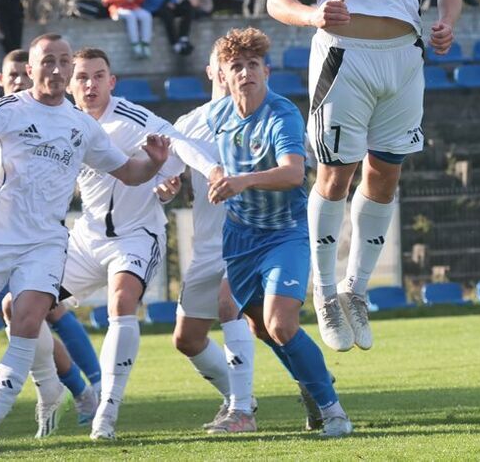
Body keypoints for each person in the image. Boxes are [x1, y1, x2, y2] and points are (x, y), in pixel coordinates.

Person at [267, 0, 460, 355]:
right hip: (343, 55)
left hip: (404, 57)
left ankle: (356, 290)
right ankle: (325, 292)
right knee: (336, 174)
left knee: (385, 172)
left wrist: (447, 22)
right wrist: (312, 14)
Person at [0, 34, 169, 459]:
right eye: (48, 62)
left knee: (26, 320)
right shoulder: (8, 109)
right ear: (31, 69)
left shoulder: (83, 126)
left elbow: (129, 173)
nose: (57, 70)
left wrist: (153, 162)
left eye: (63, 62)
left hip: (44, 243)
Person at [62, 47, 221, 440]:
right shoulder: (63, 122)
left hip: (135, 237)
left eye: (99, 76)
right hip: (86, 237)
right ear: (69, 85)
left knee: (121, 302)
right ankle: (58, 389)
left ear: (112, 81)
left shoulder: (129, 116)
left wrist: (210, 170)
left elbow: (176, 144)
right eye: (82, 77)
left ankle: (107, 411)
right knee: (21, 306)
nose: (90, 84)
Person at [205, 26, 351, 437]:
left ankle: (334, 412)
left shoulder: (281, 114)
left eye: (253, 64)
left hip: (285, 233)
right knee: (255, 324)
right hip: (241, 237)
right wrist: (199, 174)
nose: (246, 72)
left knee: (281, 324)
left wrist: (242, 181)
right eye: (236, 66)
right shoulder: (216, 116)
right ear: (223, 75)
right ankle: (309, 386)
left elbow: (292, 173)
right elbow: (190, 147)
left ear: (266, 71)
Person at [164, 41, 281, 433]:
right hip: (207, 244)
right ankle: (294, 386)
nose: (234, 71)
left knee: (234, 308)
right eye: (226, 64)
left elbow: (291, 170)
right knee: (187, 339)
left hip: (250, 238)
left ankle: (241, 411)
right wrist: (165, 188)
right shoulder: (189, 123)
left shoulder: (264, 114)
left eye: (244, 64)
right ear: (212, 70)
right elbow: (167, 176)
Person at [0, 49, 102, 424]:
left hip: (36, 239)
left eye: (23, 76)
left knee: (46, 310)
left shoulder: (54, 121)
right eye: (12, 76)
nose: (19, 83)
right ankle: (68, 388)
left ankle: (88, 387)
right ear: (1, 80)